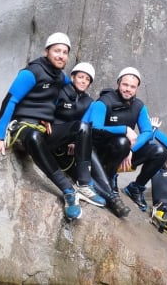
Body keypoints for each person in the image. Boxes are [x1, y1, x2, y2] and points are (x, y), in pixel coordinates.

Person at [0, 33, 104, 220]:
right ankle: (67, 190)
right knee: (34, 136)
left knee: (82, 127)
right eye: (57, 51)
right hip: (22, 128)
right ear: (46, 51)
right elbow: (9, 101)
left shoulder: (61, 77)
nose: (61, 56)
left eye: (65, 52)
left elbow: (75, 86)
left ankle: (83, 184)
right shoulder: (32, 72)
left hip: (43, 131)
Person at [83, 67, 167, 211]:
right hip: (102, 154)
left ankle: (136, 188)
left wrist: (132, 150)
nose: (128, 89)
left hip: (124, 154)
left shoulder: (139, 106)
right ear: (118, 84)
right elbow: (94, 128)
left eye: (132, 86)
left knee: (159, 151)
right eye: (125, 85)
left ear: (137, 89)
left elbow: (147, 131)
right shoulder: (104, 101)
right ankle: (108, 179)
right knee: (122, 141)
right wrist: (124, 129)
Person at [53, 62, 130, 217]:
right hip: (55, 142)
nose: (83, 81)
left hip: (73, 148)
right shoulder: (60, 92)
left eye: (87, 79)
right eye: (80, 77)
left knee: (88, 173)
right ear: (72, 77)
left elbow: (85, 124)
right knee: (83, 173)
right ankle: (113, 198)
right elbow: (48, 113)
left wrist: (76, 142)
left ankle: (113, 199)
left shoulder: (89, 102)